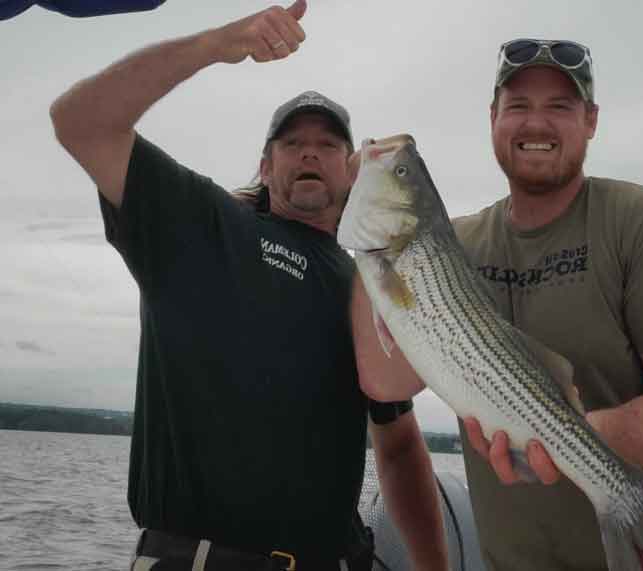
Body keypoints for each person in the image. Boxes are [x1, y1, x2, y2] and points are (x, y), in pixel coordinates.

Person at [49, 2, 448, 570]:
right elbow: (78, 120)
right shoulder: (202, 224)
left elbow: (400, 441)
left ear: (351, 168)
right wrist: (213, 45)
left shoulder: (369, 284)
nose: (310, 150)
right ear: (265, 167)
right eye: (291, 143)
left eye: (330, 144)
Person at [352, 39, 643, 569]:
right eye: (517, 106)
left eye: (559, 106)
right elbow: (386, 383)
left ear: (591, 120)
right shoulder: (455, 245)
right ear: (493, 118)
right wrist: (364, 247)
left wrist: (563, 441)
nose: (535, 124)